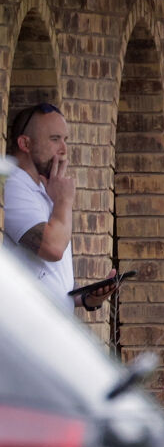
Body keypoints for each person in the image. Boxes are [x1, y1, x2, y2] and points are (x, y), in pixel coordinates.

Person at [4, 102, 75, 309]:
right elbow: (52, 248)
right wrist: (64, 201)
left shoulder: (43, 188)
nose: (63, 150)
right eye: (55, 139)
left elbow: (47, 270)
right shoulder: (12, 185)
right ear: (25, 144)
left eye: (65, 140)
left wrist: (84, 297)